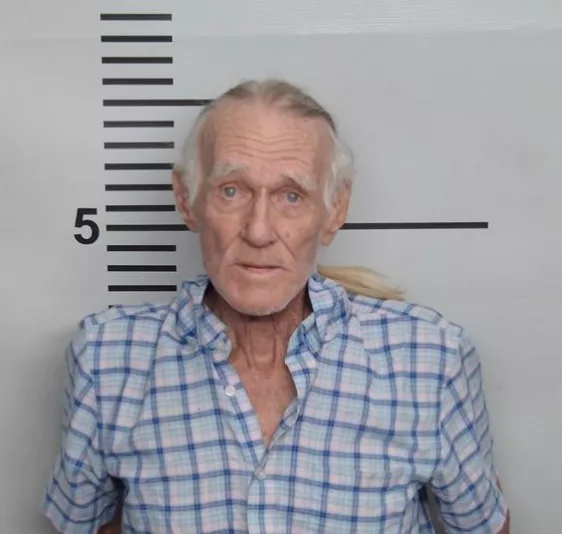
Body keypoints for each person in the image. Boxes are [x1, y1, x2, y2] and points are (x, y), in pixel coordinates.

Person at [43, 79, 510, 533]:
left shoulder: (429, 360)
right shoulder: (108, 361)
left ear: (335, 210)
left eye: (291, 196)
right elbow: (89, 525)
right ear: (187, 199)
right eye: (232, 190)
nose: (259, 231)